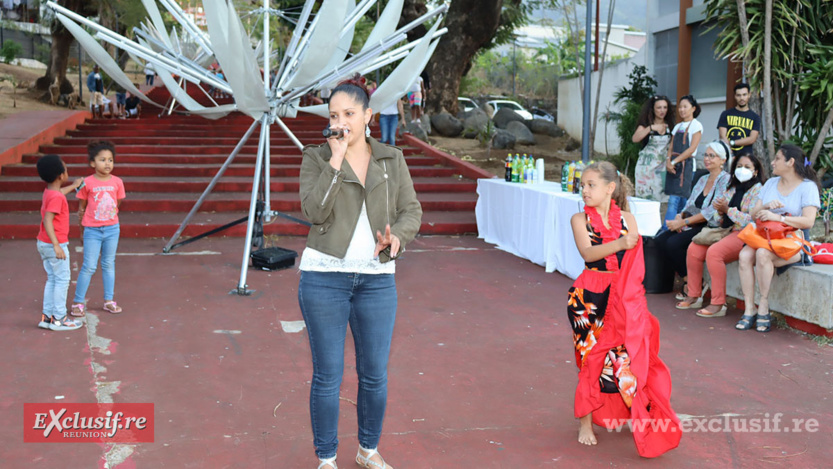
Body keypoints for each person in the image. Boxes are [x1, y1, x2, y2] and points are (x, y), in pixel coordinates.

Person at [297, 74, 423, 469]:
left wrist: (398, 238)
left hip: (377, 280)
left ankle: (368, 449)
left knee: (374, 376)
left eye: (349, 113)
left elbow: (411, 210)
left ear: (368, 115)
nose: (341, 121)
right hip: (323, 279)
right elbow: (314, 212)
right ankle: (327, 458)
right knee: (328, 377)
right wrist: (335, 160)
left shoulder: (391, 159)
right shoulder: (316, 156)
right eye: (334, 114)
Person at [568, 161, 680, 457]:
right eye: (583, 185)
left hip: (623, 297)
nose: (585, 191)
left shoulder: (627, 218)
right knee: (589, 359)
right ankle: (585, 423)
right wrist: (620, 243)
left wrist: (636, 302)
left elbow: (636, 267)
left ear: (610, 188)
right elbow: (588, 253)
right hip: (589, 296)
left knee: (627, 357)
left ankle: (637, 412)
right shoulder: (580, 219)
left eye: (591, 185)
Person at [736, 144, 820, 333]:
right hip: (766, 235)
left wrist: (779, 217)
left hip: (792, 241)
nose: (772, 163)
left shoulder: (808, 187)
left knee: (763, 254)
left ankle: (764, 304)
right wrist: (765, 206)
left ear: (790, 162)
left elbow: (808, 221)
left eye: (777, 159)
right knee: (744, 255)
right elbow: (753, 213)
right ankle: (749, 308)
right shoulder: (770, 183)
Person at [685, 153, 764, 318]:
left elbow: (751, 219)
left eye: (747, 167)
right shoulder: (732, 187)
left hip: (745, 234)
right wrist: (720, 212)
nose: (742, 170)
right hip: (725, 230)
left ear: (755, 171)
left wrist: (728, 210)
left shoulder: (758, 191)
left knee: (714, 253)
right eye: (739, 167)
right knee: (694, 249)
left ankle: (718, 303)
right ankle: (694, 294)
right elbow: (717, 216)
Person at [658, 141, 731, 305]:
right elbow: (689, 203)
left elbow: (711, 211)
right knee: (661, 240)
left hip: (710, 226)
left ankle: (692, 284)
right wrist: (680, 217)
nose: (707, 159)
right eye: (706, 155)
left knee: (673, 244)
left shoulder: (725, 180)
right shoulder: (702, 178)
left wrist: (684, 222)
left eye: (712, 156)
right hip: (692, 222)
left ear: (722, 160)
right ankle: (688, 279)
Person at [70, 141, 126, 318]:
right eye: (102, 160)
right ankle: (78, 302)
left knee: (109, 264)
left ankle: (109, 301)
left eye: (110, 160)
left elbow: (117, 204)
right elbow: (81, 209)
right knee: (88, 266)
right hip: (92, 231)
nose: (107, 163)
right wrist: (81, 231)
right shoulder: (86, 183)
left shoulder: (117, 182)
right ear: (92, 163)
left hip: (112, 229)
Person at [35, 154, 85, 331]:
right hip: (54, 244)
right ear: (61, 175)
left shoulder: (50, 192)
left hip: (43, 243)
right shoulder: (56, 198)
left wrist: (73, 185)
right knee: (62, 280)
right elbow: (48, 220)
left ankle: (47, 318)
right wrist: (56, 244)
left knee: (52, 279)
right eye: (65, 168)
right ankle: (59, 319)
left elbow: (59, 193)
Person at [664, 95, 703, 228]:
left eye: (685, 106)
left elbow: (691, 149)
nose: (682, 110)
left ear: (693, 108)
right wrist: (669, 161)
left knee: (680, 200)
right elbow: (671, 146)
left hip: (686, 167)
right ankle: (671, 228)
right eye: (680, 107)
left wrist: (674, 162)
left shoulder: (697, 125)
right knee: (675, 200)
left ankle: (672, 228)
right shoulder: (677, 126)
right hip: (674, 166)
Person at [632, 95, 675, 201]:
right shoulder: (645, 126)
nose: (662, 110)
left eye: (665, 107)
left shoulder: (670, 126)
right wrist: (650, 128)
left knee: (662, 200)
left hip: (662, 168)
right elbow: (635, 139)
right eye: (659, 107)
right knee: (645, 199)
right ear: (653, 109)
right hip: (645, 169)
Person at [718, 83, 760, 158]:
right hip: (727, 156)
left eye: (744, 95)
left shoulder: (755, 117)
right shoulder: (726, 114)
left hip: (746, 157)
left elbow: (752, 139)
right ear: (735, 96)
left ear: (749, 95)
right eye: (739, 95)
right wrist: (730, 152)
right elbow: (722, 136)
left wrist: (733, 142)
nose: (742, 98)